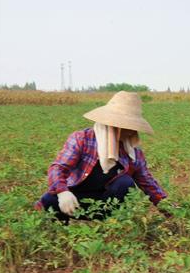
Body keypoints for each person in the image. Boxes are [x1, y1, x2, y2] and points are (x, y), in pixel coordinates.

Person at [35, 91, 168, 223]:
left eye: (132, 126)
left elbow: (149, 185)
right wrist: (62, 192)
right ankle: (61, 227)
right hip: (76, 198)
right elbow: (58, 168)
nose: (131, 131)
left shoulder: (133, 154)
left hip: (106, 203)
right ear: (113, 125)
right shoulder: (82, 139)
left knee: (125, 183)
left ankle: (112, 226)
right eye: (127, 126)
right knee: (49, 200)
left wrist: (171, 209)